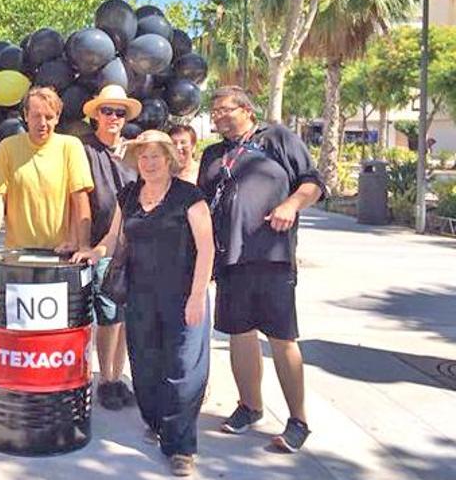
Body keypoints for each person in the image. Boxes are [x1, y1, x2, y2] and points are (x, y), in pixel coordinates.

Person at [73, 130, 214, 477]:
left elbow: (207, 248)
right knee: (146, 365)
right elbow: (113, 237)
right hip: (140, 294)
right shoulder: (130, 195)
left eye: (156, 156)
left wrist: (197, 296)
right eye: (144, 157)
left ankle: (181, 447)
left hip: (183, 295)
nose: (149, 163)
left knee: (183, 368)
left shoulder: (189, 196)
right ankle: (157, 421)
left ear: (169, 158)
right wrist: (93, 252)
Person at [198, 86, 325, 453]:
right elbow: (202, 208)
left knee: (283, 338)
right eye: (215, 110)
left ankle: (298, 420)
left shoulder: (277, 138)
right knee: (239, 333)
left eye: (225, 109)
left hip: (272, 256)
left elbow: (313, 182)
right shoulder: (213, 155)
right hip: (230, 259)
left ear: (248, 111)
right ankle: (250, 406)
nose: (218, 116)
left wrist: (291, 204)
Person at [0, 86, 94, 256]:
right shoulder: (8, 147)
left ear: (58, 118)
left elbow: (80, 197)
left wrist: (82, 245)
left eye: (49, 117)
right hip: (17, 253)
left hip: (60, 252)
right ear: (25, 116)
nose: (42, 123)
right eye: (36, 116)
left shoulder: (71, 146)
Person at [79, 84, 141, 411]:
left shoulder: (136, 152)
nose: (113, 117)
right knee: (106, 315)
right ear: (96, 116)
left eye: (120, 112)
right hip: (98, 245)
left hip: (134, 244)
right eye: (107, 111)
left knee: (122, 316)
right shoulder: (83, 151)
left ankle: (116, 375)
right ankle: (106, 379)